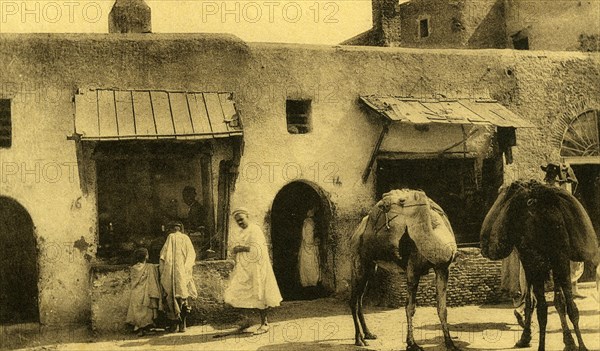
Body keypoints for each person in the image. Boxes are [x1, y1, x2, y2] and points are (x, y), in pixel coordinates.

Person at [223, 207, 282, 335]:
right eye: (237, 221)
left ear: (247, 217)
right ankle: (246, 321)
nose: (240, 222)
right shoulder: (241, 231)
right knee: (240, 292)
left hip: (256, 267)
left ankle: (264, 323)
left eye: (241, 220)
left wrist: (240, 248)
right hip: (244, 267)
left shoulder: (255, 230)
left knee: (259, 293)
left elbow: (257, 249)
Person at [159, 221, 197, 333]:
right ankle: (181, 325)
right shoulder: (185, 238)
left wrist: (163, 269)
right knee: (183, 296)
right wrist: (186, 268)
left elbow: (163, 256)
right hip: (182, 273)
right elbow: (191, 255)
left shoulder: (170, 237)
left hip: (173, 273)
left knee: (172, 297)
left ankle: (177, 324)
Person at [126, 248, 162, 336]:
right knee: (146, 311)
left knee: (137, 310)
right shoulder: (150, 267)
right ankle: (144, 328)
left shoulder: (133, 268)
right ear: (146, 256)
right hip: (146, 292)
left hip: (136, 293)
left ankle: (139, 328)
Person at [299, 208, 321, 288]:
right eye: (311, 210)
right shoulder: (308, 223)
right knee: (310, 263)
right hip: (308, 246)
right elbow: (308, 237)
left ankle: (309, 282)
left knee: (309, 264)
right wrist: (313, 242)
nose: (312, 212)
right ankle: (310, 282)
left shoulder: (308, 222)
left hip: (308, 246)